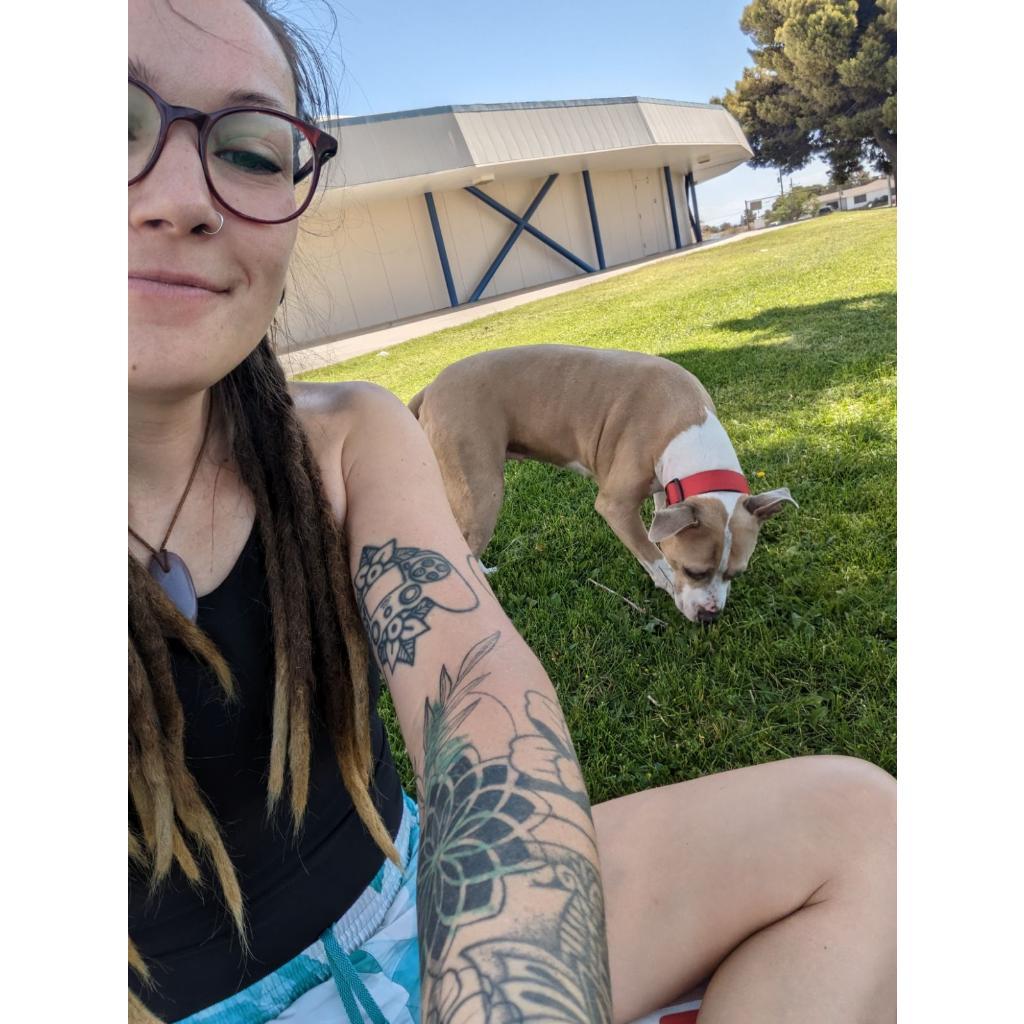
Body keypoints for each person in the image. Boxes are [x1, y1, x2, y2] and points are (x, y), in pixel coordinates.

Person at [127, 2, 896, 1022]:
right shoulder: (639, 480)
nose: (185, 198)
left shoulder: (347, 433)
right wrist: (661, 563)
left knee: (864, 818)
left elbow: (476, 686)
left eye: (252, 151)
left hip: (423, 892)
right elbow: (617, 499)